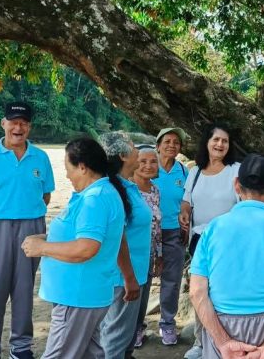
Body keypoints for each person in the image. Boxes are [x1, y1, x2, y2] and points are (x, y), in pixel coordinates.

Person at [189, 154, 264, 359]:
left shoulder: (213, 229)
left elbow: (197, 292)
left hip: (224, 324)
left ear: (236, 185)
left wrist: (223, 342)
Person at [20, 137, 128, 359]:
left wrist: (43, 248)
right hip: (85, 296)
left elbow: (86, 248)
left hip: (78, 297)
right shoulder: (100, 193)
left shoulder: (95, 199)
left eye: (68, 169)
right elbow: (84, 235)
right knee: (90, 353)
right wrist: (48, 238)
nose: (67, 176)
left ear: (82, 167)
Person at [0, 101, 55, 359]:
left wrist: (25, 214)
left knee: (24, 288)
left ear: (29, 126)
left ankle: (21, 347)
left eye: (24, 123)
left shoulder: (40, 157)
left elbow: (46, 196)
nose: (19, 127)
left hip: (32, 226)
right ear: (3, 123)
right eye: (14, 122)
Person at [179, 123, 242, 359]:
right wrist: (184, 212)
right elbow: (187, 201)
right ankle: (200, 342)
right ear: (206, 142)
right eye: (216, 139)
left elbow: (244, 204)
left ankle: (226, 341)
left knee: (224, 292)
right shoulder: (195, 172)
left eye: (225, 141)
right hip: (199, 241)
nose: (220, 144)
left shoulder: (236, 171)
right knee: (200, 292)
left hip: (228, 242)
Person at [97, 132, 153, 359]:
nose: (138, 151)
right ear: (122, 155)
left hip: (136, 272)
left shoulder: (128, 187)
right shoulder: (112, 190)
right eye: (133, 146)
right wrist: (129, 278)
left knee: (127, 334)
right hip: (122, 278)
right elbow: (117, 238)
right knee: (115, 337)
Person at [153, 127, 190, 346]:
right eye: (167, 141)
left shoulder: (184, 172)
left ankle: (167, 324)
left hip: (174, 232)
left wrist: (186, 222)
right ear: (158, 146)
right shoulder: (147, 165)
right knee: (143, 280)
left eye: (176, 142)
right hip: (149, 233)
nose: (172, 145)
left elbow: (188, 201)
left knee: (172, 281)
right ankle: (136, 327)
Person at [131, 144, 164, 349]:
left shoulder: (155, 190)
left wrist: (159, 255)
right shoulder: (127, 190)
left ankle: (136, 333)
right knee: (128, 297)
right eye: (143, 161)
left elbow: (157, 227)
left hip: (150, 253)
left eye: (153, 161)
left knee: (143, 297)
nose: (148, 166)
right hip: (130, 254)